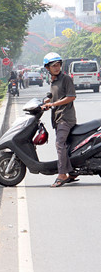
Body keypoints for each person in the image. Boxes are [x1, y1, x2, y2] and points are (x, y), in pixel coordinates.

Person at [41, 52, 78, 187]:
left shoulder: (66, 79)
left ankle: (62, 174)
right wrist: (46, 100)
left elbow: (71, 96)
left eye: (58, 65)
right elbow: (54, 94)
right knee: (66, 145)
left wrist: (52, 104)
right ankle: (72, 171)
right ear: (47, 68)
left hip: (65, 117)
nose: (57, 68)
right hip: (57, 117)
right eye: (53, 66)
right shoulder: (54, 80)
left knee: (59, 144)